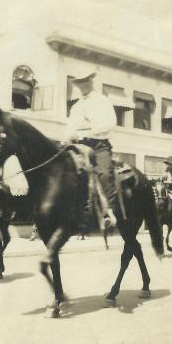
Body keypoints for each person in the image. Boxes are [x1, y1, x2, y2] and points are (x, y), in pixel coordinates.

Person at [66, 71, 117, 229]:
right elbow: (70, 128)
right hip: (79, 145)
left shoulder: (103, 101)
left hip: (99, 145)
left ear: (91, 81)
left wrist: (89, 129)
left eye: (85, 81)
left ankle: (108, 212)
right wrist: (70, 135)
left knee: (104, 173)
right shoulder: (76, 106)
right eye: (79, 82)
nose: (82, 85)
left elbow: (110, 123)